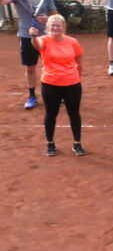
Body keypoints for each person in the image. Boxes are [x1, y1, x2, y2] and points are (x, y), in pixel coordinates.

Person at [0, 0, 57, 109]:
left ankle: (56, 93)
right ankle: (32, 96)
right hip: (26, 37)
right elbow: (1, 1)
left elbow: (56, 16)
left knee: (51, 67)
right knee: (30, 68)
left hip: (46, 38)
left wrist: (48, 19)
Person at [30, 15, 85, 157]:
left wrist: (77, 76)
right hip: (50, 84)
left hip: (72, 84)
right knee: (51, 114)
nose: (55, 28)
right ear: (47, 27)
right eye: (52, 25)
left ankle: (77, 143)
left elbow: (79, 61)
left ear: (63, 27)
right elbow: (37, 45)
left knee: (74, 114)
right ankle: (50, 143)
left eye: (58, 25)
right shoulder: (43, 40)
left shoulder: (73, 42)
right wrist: (33, 36)